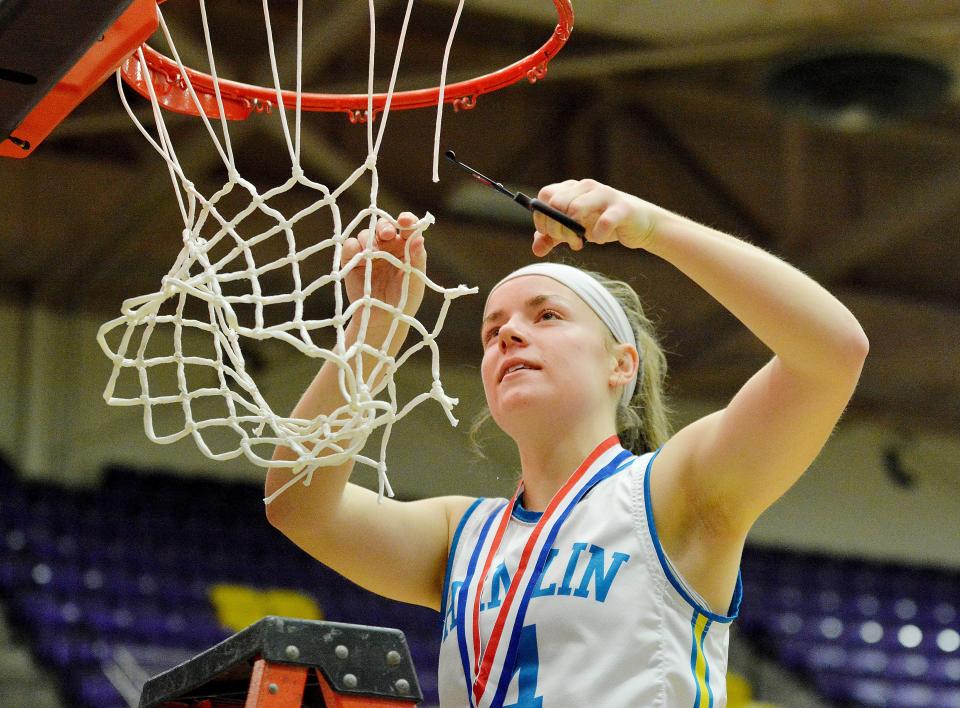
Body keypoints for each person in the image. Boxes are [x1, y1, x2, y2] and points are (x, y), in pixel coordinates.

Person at [265, 179, 869, 707]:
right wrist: (375, 326)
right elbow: (298, 503)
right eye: (493, 330)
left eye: (546, 315)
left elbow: (833, 353)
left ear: (621, 365)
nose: (509, 336)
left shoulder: (668, 493)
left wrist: (652, 228)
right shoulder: (463, 536)